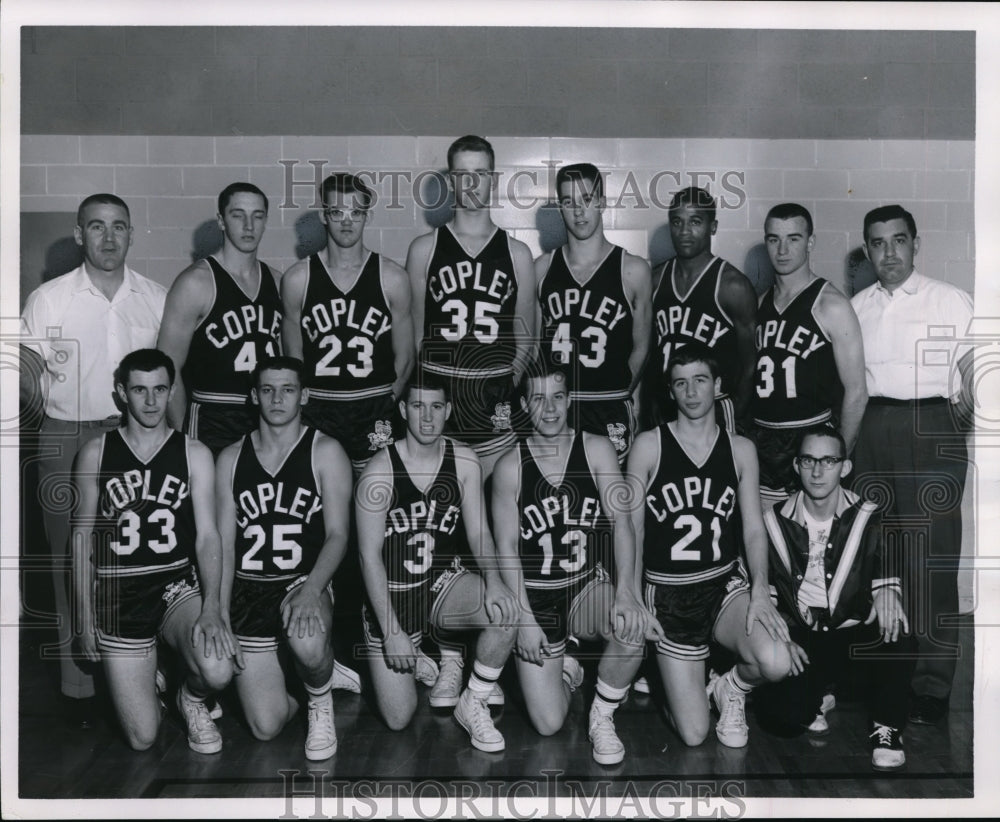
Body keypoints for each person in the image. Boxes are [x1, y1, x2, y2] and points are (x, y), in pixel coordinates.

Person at [20, 193, 167, 705]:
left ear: (131, 233)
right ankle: (78, 683)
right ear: (80, 234)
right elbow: (26, 380)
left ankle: (143, 674)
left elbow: (170, 377)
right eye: (97, 227)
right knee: (70, 559)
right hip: (65, 433)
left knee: (139, 554)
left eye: (119, 227)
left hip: (134, 436)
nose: (109, 238)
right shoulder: (49, 299)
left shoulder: (156, 296)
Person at [492, 363, 661, 764]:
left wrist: (626, 593)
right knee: (549, 723)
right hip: (536, 599)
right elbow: (504, 548)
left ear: (569, 400)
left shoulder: (597, 448)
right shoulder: (508, 466)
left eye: (557, 397)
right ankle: (567, 669)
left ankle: (602, 716)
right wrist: (525, 622)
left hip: (585, 586)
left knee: (631, 625)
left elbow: (623, 523)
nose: (549, 408)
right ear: (523, 405)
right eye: (538, 398)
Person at [628, 343, 794, 748]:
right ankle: (668, 674)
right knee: (694, 734)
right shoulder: (649, 445)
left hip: (723, 588)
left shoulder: (741, 450)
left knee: (776, 661)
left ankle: (731, 687)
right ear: (670, 391)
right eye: (680, 383)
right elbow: (631, 529)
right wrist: (631, 594)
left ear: (717, 386)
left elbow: (754, 528)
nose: (690, 392)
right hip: (668, 594)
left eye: (700, 380)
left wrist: (759, 590)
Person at [70, 349, 234, 752]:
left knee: (217, 669)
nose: (150, 401)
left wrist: (212, 605)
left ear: (171, 391)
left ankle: (191, 699)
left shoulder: (193, 453)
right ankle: (157, 669)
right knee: (143, 738)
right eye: (139, 390)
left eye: (159, 389)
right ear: (121, 393)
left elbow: (208, 536)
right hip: (117, 595)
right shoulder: (96, 453)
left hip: (174, 587)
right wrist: (85, 618)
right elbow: (80, 541)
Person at [850, 204, 974, 725]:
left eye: (898, 241)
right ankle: (886, 675)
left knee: (932, 558)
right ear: (868, 250)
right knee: (875, 553)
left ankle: (932, 686)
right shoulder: (855, 306)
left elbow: (979, 377)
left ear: (916, 244)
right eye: (878, 244)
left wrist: (955, 422)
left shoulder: (950, 300)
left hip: (932, 429)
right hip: (872, 429)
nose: (889, 253)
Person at [355, 375, 519, 751]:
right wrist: (391, 629)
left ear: (448, 411)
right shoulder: (378, 472)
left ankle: (473, 699)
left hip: (442, 583)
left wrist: (494, 581)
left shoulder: (464, 460)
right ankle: (416, 654)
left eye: (435, 407)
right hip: (393, 595)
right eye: (416, 406)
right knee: (399, 719)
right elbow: (368, 557)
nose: (426, 417)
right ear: (403, 411)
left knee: (506, 611)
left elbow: (478, 533)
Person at [215, 356, 359, 760]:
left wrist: (313, 589)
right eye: (267, 389)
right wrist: (220, 607)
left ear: (305, 395)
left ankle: (320, 700)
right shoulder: (229, 458)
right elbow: (224, 546)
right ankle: (318, 672)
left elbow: (338, 535)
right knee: (266, 727)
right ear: (253, 396)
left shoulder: (325, 451)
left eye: (288, 389)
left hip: (301, 580)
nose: (277, 398)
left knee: (306, 638)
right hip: (248, 589)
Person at [753, 425, 916, 770]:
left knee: (899, 630)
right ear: (796, 466)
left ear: (845, 467)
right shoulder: (772, 521)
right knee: (781, 720)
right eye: (808, 460)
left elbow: (886, 560)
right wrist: (779, 635)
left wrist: (887, 589)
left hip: (852, 637)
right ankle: (817, 696)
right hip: (803, 637)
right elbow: (766, 597)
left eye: (828, 461)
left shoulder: (869, 515)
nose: (817, 470)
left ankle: (886, 726)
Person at [405, 134, 536, 477]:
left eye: (481, 173)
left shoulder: (517, 254)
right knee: (439, 502)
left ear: (493, 179)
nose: (472, 183)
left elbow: (525, 340)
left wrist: (504, 385)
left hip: (492, 390)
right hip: (439, 388)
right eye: (463, 174)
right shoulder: (424, 249)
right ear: (450, 181)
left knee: (496, 503)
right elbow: (415, 334)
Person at [281, 173, 414, 474]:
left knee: (375, 500)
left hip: (374, 404)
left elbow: (405, 356)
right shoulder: (298, 279)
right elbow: (294, 358)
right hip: (319, 406)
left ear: (368, 217)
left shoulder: (392, 277)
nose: (346, 221)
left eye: (355, 213)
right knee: (322, 503)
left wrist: (387, 399)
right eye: (337, 212)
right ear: (323, 216)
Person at [751, 203, 868, 507]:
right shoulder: (758, 304)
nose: (782, 249)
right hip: (763, 440)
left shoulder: (831, 305)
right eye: (774, 239)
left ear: (810, 242)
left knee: (811, 543)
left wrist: (836, 458)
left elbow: (857, 393)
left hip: (810, 439)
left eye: (794, 238)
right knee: (764, 541)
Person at [537, 162, 651, 461]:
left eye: (586, 200)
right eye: (568, 202)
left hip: (609, 404)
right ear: (559, 208)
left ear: (601, 202)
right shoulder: (542, 269)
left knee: (611, 500)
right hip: (558, 406)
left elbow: (642, 345)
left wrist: (620, 392)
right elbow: (532, 348)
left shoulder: (633, 269)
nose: (578, 211)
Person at [156, 182, 281, 454]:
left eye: (257, 216)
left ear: (265, 221)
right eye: (238, 215)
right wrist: (181, 437)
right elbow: (168, 368)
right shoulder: (196, 282)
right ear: (221, 221)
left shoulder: (277, 281)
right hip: (213, 417)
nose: (249, 225)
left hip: (266, 418)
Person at [644, 186, 757, 433]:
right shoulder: (655, 280)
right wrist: (652, 400)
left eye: (695, 222)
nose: (684, 231)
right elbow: (650, 353)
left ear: (712, 227)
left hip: (715, 408)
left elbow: (751, 362)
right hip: (667, 403)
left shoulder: (732, 285)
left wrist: (736, 412)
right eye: (677, 222)